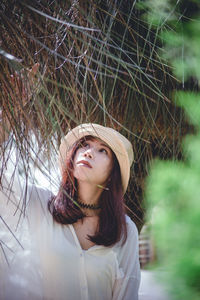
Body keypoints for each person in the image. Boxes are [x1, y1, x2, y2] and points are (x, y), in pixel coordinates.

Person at [0, 122, 140, 298]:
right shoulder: (43, 205)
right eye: (85, 145)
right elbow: (3, 185)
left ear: (114, 172)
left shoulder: (125, 231)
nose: (88, 152)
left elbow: (127, 294)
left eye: (102, 150)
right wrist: (5, 126)